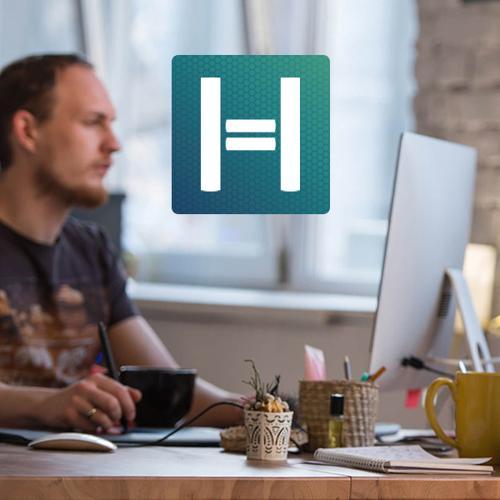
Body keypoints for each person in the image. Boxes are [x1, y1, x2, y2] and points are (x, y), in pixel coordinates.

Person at [0, 54, 243, 432]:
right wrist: (47, 405)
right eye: (92, 122)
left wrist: (267, 411)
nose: (114, 144)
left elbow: (169, 388)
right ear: (28, 131)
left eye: (111, 124)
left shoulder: (91, 250)